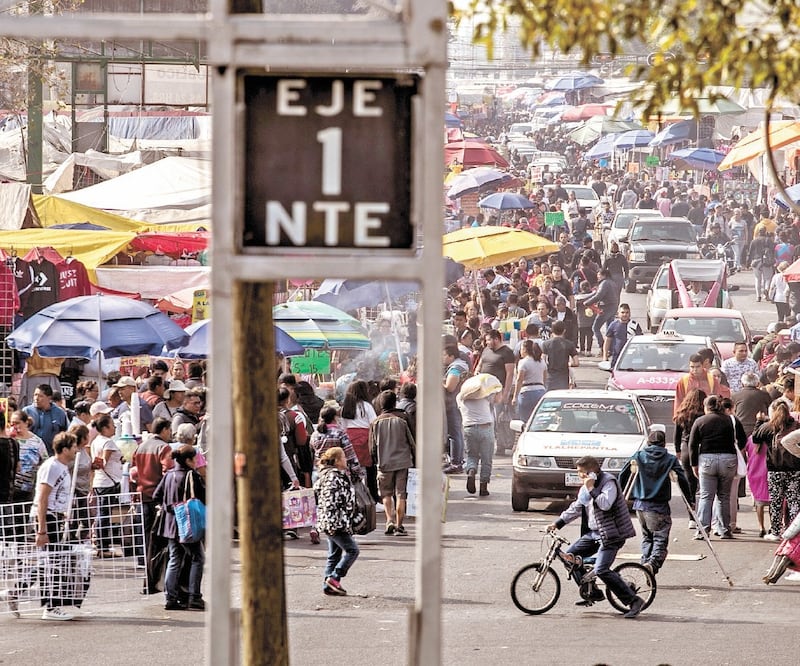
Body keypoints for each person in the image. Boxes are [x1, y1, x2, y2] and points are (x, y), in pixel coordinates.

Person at [546, 456, 645, 619]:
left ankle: (634, 601)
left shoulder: (608, 482)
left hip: (612, 534)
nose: (580, 476)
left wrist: (592, 488)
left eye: (582, 473)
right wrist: (557, 523)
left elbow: (606, 504)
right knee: (569, 558)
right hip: (593, 533)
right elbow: (577, 507)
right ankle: (593, 592)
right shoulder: (586, 488)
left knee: (601, 569)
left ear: (592, 473)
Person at [621, 427, 692, 575]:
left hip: (640, 505)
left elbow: (624, 473)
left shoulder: (639, 455)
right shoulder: (670, 459)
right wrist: (689, 500)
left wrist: (621, 492)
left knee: (647, 538)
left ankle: (645, 565)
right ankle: (651, 565)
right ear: (664, 444)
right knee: (660, 539)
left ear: (648, 442)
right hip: (658, 506)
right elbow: (683, 480)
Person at [31, 431, 78, 621]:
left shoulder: (62, 467)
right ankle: (50, 606)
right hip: (46, 516)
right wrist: (42, 530)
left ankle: (17, 591)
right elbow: (43, 497)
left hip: (55, 516)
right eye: (73, 446)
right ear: (64, 449)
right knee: (52, 563)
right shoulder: (52, 467)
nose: (76, 450)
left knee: (54, 561)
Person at [153, 445, 206, 611]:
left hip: (170, 525)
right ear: (189, 460)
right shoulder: (192, 475)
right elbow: (203, 497)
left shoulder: (168, 475)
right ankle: (194, 596)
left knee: (174, 559)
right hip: (188, 525)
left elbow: (156, 495)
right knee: (198, 557)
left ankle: (171, 597)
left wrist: (169, 506)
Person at [689, 395, 747, 540]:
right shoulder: (731, 420)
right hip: (728, 459)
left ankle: (702, 530)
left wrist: (694, 464)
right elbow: (743, 440)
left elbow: (693, 444)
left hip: (707, 459)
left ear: (706, 406)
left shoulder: (701, 421)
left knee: (706, 496)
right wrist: (736, 451)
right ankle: (724, 529)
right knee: (724, 496)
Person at [313, 446, 361, 596]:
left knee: (333, 555)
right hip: (336, 522)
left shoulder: (324, 475)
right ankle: (334, 578)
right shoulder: (336, 476)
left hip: (327, 521)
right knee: (353, 550)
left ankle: (328, 585)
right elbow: (341, 500)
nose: (346, 460)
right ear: (338, 461)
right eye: (344, 457)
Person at [369, 390, 415, 536]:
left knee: (386, 494)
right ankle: (399, 525)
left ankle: (389, 520)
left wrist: (376, 461)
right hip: (403, 462)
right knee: (401, 494)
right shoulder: (402, 419)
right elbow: (412, 442)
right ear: (394, 403)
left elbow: (372, 447)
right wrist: (415, 459)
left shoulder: (375, 422)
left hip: (384, 463)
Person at [132, 417, 174, 577]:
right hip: (157, 495)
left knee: (143, 529)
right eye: (169, 430)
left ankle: (143, 559)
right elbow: (168, 471)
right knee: (158, 531)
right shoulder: (164, 448)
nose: (170, 433)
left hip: (141, 493)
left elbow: (134, 470)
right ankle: (154, 561)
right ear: (163, 430)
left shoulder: (140, 447)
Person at [752, 402, 800, 541]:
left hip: (775, 469)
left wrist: (759, 421)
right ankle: (793, 532)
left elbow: (755, 437)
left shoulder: (768, 427)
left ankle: (775, 531)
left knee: (776, 501)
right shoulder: (796, 425)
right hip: (795, 469)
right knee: (794, 501)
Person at [457, 373, 501, 497]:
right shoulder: (484, 396)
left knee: (472, 455)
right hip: (485, 428)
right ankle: (483, 487)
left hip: (469, 429)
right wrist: (498, 388)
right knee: (487, 459)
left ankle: (471, 471)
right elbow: (498, 400)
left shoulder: (459, 397)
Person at [90, 414, 124, 558]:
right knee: (104, 514)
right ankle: (103, 546)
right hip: (108, 483)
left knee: (102, 513)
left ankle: (100, 544)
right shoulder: (108, 443)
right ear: (105, 428)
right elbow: (103, 461)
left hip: (100, 481)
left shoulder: (95, 441)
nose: (115, 427)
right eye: (112, 425)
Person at [340, 380, 378, 502]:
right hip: (365, 439)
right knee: (370, 469)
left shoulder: (345, 407)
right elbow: (374, 423)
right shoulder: (366, 406)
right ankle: (372, 496)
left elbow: (343, 425)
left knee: (351, 468)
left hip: (349, 439)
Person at [309, 405, 362, 481]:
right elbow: (350, 455)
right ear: (334, 417)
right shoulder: (340, 433)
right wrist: (357, 472)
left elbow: (313, 455)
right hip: (340, 476)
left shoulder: (314, 435)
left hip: (320, 475)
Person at [9, 410, 48, 504]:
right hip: (10, 486)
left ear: (26, 423)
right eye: (12, 424)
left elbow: (45, 460)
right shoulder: (9, 440)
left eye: (17, 423)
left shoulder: (37, 441)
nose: (15, 426)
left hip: (28, 487)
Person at [442, 344, 470, 474]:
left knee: (454, 434)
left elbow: (450, 387)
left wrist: (438, 381)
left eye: (444, 355)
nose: (442, 358)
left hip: (453, 403)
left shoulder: (455, 368)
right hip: (457, 403)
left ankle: (455, 462)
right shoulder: (460, 365)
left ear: (451, 356)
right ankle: (457, 460)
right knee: (455, 433)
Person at [23, 384, 69, 456]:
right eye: (35, 395)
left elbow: (64, 434)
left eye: (40, 396)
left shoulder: (60, 413)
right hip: (30, 455)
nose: (36, 398)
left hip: (52, 454)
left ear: (49, 398)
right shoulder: (27, 411)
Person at [582, 268, 620, 355]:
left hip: (606, 308)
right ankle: (610, 349)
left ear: (604, 275)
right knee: (609, 329)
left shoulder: (605, 283)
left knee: (595, 327)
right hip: (613, 307)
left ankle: (603, 347)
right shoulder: (612, 282)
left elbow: (599, 295)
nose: (597, 277)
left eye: (599, 275)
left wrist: (587, 302)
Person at [512, 339, 547, 424]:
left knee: (525, 420)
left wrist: (515, 396)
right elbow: (545, 377)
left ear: (525, 349)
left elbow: (519, 380)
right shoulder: (541, 361)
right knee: (539, 419)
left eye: (521, 349)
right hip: (540, 390)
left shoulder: (523, 362)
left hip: (527, 392)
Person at [540, 320, 579, 390]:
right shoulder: (569, 344)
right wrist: (569, 364)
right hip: (563, 376)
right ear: (564, 331)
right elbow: (576, 363)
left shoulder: (546, 344)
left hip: (550, 376)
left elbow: (543, 361)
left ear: (552, 330)